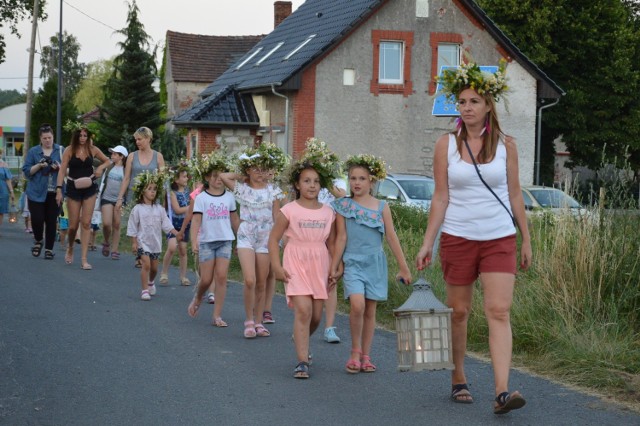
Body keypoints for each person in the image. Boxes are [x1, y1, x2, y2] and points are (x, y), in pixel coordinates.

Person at [415, 61, 532, 415]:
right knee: (459, 312)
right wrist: (427, 242)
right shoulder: (446, 145)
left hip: (498, 237)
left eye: (474, 101)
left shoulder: (507, 145)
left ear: (488, 106)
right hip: (458, 236)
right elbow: (440, 197)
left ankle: (501, 392)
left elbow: (514, 195)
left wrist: (526, 238)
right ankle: (459, 377)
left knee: (498, 310)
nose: (466, 107)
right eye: (462, 101)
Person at [330, 154, 412, 374]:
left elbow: (392, 237)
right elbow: (341, 238)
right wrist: (335, 265)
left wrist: (404, 267)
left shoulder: (382, 206)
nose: (356, 182)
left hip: (375, 264)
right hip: (352, 263)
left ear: (372, 181)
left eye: (362, 178)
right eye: (352, 178)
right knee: (357, 305)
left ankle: (366, 355)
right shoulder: (343, 205)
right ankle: (354, 351)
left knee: (370, 310)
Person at [268, 153, 339, 379]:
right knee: (304, 310)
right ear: (297, 185)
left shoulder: (328, 212)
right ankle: (302, 361)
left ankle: (300, 336)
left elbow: (333, 243)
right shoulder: (289, 210)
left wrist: (337, 266)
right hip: (296, 260)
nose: (312, 185)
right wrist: (277, 267)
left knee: (316, 315)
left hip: (320, 262)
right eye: (307, 181)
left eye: (316, 181)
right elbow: (273, 239)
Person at [220, 145, 285, 339]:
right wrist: (243, 175)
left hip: (265, 237)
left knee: (262, 281)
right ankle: (248, 320)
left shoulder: (273, 191)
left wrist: (282, 237)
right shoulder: (243, 189)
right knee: (250, 280)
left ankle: (258, 321)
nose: (260, 173)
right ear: (248, 169)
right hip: (246, 235)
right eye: (255, 168)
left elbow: (277, 214)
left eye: (263, 168)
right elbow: (224, 177)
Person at [187, 153, 239, 327]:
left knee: (222, 277)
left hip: (225, 240)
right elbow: (195, 221)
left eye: (221, 175)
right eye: (214, 175)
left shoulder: (229, 197)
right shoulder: (201, 198)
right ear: (207, 178)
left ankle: (217, 315)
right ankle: (198, 296)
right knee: (207, 279)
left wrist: (241, 240)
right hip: (207, 242)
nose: (218, 179)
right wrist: (194, 240)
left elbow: (234, 220)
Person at [56, 126, 110, 270]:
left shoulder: (93, 149)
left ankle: (84, 259)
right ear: (76, 137)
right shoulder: (69, 150)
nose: (83, 138)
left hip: (89, 188)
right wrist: (59, 190)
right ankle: (71, 247)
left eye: (85, 135)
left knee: (86, 223)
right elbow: (62, 171)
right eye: (80, 136)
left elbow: (108, 161)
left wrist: (100, 168)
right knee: (73, 226)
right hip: (73, 188)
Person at [115, 126, 165, 267]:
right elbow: (126, 178)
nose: (137, 142)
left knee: (150, 225)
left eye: (140, 139)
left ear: (148, 139)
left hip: (152, 197)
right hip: (135, 195)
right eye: (136, 139)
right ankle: (139, 252)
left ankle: (150, 252)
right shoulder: (132, 156)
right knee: (137, 223)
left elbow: (162, 179)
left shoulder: (158, 156)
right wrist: (120, 198)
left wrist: (161, 199)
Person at [127, 171, 180, 301]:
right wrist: (134, 242)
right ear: (142, 191)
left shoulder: (159, 209)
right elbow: (133, 227)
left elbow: (166, 224)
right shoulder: (137, 209)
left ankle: (151, 282)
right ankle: (144, 290)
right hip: (142, 242)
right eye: (149, 189)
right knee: (146, 265)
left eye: (155, 189)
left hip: (155, 243)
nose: (152, 192)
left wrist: (177, 233)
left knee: (155, 268)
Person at [22, 124, 63, 260]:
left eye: (49, 138)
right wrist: (39, 165)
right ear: (40, 138)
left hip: (54, 191)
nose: (47, 140)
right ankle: (39, 240)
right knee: (37, 219)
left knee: (51, 221)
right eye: (44, 138)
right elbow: (27, 172)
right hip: (36, 191)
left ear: (53, 137)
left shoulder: (60, 151)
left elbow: (67, 171)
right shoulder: (34, 152)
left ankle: (49, 249)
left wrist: (59, 167)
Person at [318, 177, 347, 343]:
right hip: (307, 242)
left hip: (329, 237)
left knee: (331, 282)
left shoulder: (336, 181)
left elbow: (341, 195)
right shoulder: (310, 182)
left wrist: (337, 262)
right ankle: (303, 326)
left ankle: (329, 327)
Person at [159, 165, 192, 286]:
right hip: (173, 224)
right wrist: (190, 207)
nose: (186, 178)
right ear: (176, 180)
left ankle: (183, 276)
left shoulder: (188, 191)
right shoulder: (172, 193)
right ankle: (164, 273)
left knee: (183, 250)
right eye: (183, 176)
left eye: (186, 176)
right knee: (172, 247)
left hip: (185, 224)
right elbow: (177, 209)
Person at [98, 145, 128, 260]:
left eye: (115, 154)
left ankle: (115, 250)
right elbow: (97, 163)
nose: (112, 156)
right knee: (106, 224)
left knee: (116, 224)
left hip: (119, 200)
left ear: (121, 157)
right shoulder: (109, 165)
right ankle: (106, 241)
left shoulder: (126, 170)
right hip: (106, 197)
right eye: (112, 153)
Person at [0, 152, 15, 236]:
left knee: (1, 211)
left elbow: (8, 179)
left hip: (2, 190)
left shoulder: (4, 165)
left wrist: (12, 192)